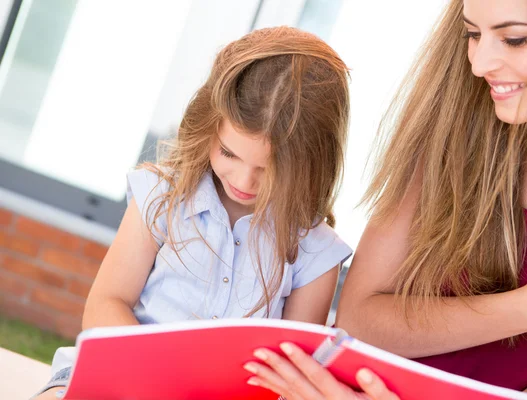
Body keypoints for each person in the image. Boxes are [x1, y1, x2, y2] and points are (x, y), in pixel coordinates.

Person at [248, 0, 527, 399]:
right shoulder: (458, 134)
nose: (480, 63)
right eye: (472, 34)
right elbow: (360, 321)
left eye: (514, 39)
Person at [32, 26, 353, 399]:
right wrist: (150, 381)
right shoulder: (163, 195)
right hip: (119, 374)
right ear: (208, 128)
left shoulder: (315, 252)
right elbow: (106, 304)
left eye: (269, 169)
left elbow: (293, 374)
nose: (244, 180)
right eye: (229, 154)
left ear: (312, 164)